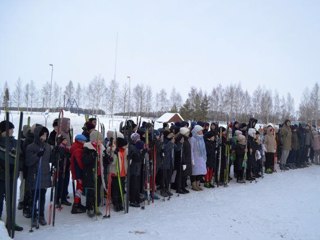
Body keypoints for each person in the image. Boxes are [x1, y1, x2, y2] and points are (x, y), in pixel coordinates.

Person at [25, 125, 52, 227]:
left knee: (42, 197)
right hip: (35, 175)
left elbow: (50, 160)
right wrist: (37, 155)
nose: (45, 137)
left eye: (46, 135)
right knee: (34, 197)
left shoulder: (48, 146)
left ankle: (41, 215)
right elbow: (28, 162)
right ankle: (33, 215)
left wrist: (57, 154)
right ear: (38, 135)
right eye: (43, 135)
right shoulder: (31, 147)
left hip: (44, 174)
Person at [0, 120, 23, 231]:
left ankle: (11, 222)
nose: (12, 131)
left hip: (11, 177)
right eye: (10, 129)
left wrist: (17, 166)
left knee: (11, 201)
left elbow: (20, 157)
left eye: (12, 129)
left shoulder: (15, 142)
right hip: (0, 177)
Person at [70, 134, 87, 214]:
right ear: (80, 141)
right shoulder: (78, 149)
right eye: (84, 141)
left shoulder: (76, 147)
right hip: (78, 173)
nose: (85, 142)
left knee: (79, 188)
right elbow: (80, 163)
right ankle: (76, 205)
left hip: (76, 172)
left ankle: (78, 203)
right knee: (79, 188)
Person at [190, 125, 207, 191]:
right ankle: (193, 185)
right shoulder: (193, 139)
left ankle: (198, 184)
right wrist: (192, 159)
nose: (201, 131)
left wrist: (205, 156)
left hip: (201, 158)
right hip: (195, 158)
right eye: (200, 130)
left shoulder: (201, 138)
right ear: (197, 131)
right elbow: (191, 149)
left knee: (200, 172)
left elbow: (204, 148)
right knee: (194, 172)